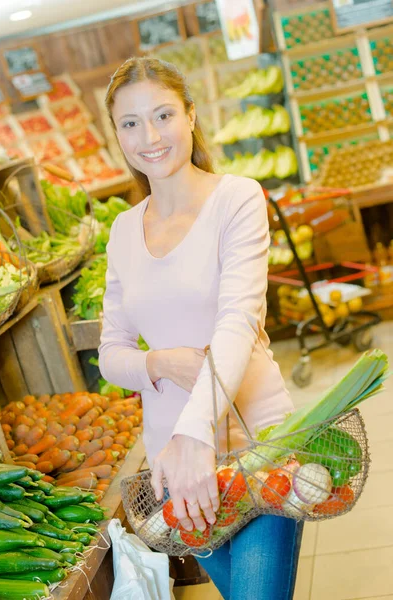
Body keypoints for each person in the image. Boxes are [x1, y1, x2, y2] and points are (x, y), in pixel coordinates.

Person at [99, 56, 303, 600]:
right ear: (116, 134)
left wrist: (195, 436)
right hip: (180, 473)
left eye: (163, 115)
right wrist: (160, 362)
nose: (150, 136)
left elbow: (238, 320)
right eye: (131, 123)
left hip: (256, 448)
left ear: (190, 116)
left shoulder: (236, 199)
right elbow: (110, 354)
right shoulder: (121, 232)